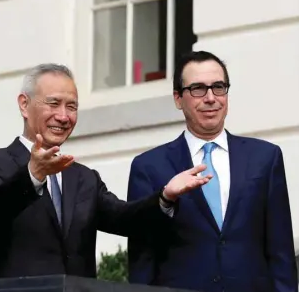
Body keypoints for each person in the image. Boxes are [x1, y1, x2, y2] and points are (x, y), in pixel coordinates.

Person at [0, 63, 212, 279]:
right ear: (24, 105)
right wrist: (33, 175)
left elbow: (124, 219)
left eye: (72, 106)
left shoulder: (83, 177)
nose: (63, 116)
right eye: (53, 103)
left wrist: (166, 196)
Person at [127, 51, 298, 292]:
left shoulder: (265, 158)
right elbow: (142, 258)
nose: (210, 98)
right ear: (178, 98)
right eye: (197, 89)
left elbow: (281, 252)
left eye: (218, 87)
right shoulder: (149, 167)